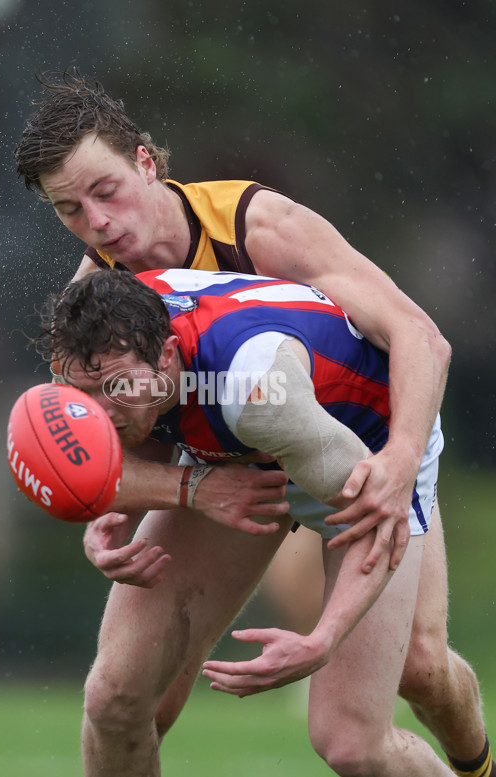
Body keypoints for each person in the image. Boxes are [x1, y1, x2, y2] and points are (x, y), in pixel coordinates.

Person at [14, 72, 492, 777]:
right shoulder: (95, 302)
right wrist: (109, 509)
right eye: (70, 210)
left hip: (354, 435)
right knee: (125, 700)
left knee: (417, 671)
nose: (99, 223)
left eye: (106, 191)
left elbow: (420, 337)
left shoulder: (259, 227)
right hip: (231, 468)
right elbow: (89, 449)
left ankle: (475, 763)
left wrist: (399, 460)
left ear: (146, 162)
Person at [34, 267, 454, 776]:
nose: (100, 412)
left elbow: (379, 517)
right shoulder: (112, 335)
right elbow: (78, 458)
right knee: (113, 700)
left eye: (118, 387)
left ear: (168, 355)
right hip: (241, 449)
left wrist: (322, 640)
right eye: (85, 392)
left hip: (362, 446)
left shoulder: (258, 393)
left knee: (352, 746)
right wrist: (126, 507)